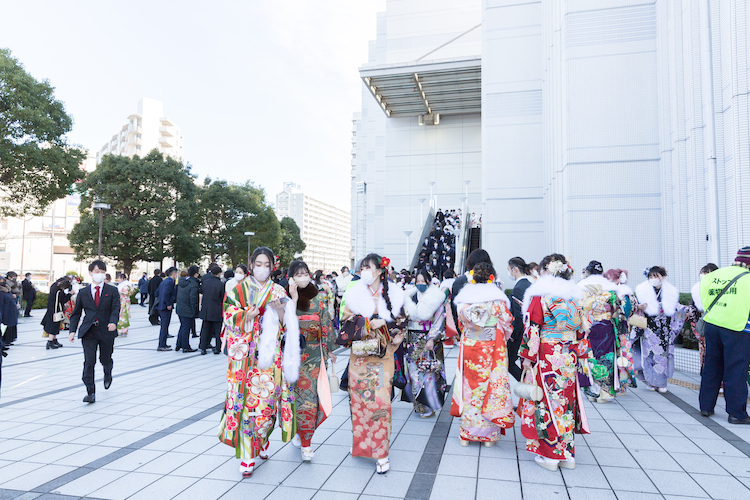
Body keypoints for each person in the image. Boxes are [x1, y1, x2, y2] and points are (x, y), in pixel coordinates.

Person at [219, 247, 300, 478]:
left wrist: (281, 311)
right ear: (251, 264)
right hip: (244, 359)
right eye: (259, 264)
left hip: (269, 357)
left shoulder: (277, 290)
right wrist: (248, 316)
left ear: (273, 266)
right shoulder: (238, 289)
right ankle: (247, 455)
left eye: (267, 265)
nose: (262, 268)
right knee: (246, 406)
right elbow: (228, 315)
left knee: (265, 405)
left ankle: (262, 439)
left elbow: (287, 325)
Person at [519, 254, 590, 471]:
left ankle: (551, 455)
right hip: (568, 354)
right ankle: (568, 454)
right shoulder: (576, 298)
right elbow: (582, 330)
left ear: (546, 271)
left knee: (547, 402)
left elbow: (533, 329)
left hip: (547, 354)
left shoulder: (541, 295)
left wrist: (527, 357)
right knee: (565, 402)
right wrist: (579, 354)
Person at [338, 253, 406, 474]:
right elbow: (345, 321)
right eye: (362, 267)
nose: (364, 271)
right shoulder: (355, 292)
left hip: (382, 356)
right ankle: (360, 444)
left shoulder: (394, 294)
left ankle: (381, 451)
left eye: (368, 267)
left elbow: (402, 323)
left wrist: (385, 323)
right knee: (358, 401)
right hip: (359, 356)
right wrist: (368, 323)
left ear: (379, 271)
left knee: (380, 402)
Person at [452, 262, 515, 446]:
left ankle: (467, 434)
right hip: (490, 350)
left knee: (470, 390)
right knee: (489, 389)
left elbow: (461, 326)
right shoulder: (498, 301)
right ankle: (488, 436)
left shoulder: (465, 301)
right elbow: (507, 325)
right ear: (492, 278)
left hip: (470, 349)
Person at [287, 260, 336, 461]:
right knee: (294, 400)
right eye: (298, 274)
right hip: (292, 357)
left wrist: (330, 349)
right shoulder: (284, 297)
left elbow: (326, 324)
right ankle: (299, 434)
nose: (302, 277)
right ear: (291, 277)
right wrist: (293, 299)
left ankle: (306, 441)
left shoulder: (318, 299)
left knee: (311, 401)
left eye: (305, 273)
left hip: (314, 356)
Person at [699, 248, 750, 424]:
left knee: (712, 366)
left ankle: (706, 406)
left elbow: (704, 300)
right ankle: (736, 413)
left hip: (713, 325)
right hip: (738, 328)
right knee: (735, 370)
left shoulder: (714, 275)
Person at [68, 260, 121, 403]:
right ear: (90, 272)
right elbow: (76, 313)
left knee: (105, 358)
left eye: (102, 271)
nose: (100, 274)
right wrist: (72, 330)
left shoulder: (112, 290)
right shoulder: (83, 292)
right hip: (89, 331)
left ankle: (107, 373)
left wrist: (113, 322)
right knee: (89, 361)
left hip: (106, 330)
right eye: (97, 271)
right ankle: (90, 392)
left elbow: (116, 309)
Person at [403, 269, 449, 418]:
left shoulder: (436, 297)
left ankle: (430, 405)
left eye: (423, 281)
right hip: (412, 340)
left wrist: (431, 338)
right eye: (418, 281)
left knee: (429, 373)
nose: (420, 284)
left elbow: (440, 319)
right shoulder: (409, 296)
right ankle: (419, 406)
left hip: (429, 340)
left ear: (429, 281)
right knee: (414, 373)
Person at [634, 266, 686, 393]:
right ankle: (651, 382)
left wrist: (685, 310)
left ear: (662, 277)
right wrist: (638, 306)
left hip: (664, 329)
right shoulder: (643, 290)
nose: (653, 279)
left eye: (656, 276)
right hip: (649, 328)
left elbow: (677, 307)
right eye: (651, 277)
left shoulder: (670, 291)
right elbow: (635, 306)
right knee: (648, 356)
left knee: (662, 356)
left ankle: (662, 383)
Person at [577, 260, 620, 403]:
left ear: (588, 272)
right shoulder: (610, 288)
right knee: (606, 357)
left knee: (588, 357)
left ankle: (591, 392)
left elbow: (576, 307)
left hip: (587, 327)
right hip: (605, 326)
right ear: (602, 272)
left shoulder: (580, 286)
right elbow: (618, 309)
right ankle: (605, 393)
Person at [603, 268, 640, 394]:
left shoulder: (624, 294)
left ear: (618, 279)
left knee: (622, 356)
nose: (607, 280)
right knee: (616, 355)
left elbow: (629, 310)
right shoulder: (613, 293)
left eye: (609, 278)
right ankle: (617, 383)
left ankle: (622, 384)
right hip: (615, 327)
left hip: (620, 328)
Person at [451, 249, 493, 335]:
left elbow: (455, 310)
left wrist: (460, 331)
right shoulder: (491, 282)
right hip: (490, 333)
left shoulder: (460, 282)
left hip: (468, 331)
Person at [687, 263, 720, 374]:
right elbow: (691, 309)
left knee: (718, 354)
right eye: (702, 275)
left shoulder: (720, 289)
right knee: (706, 353)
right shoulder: (696, 290)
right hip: (703, 327)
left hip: (718, 325)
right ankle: (708, 378)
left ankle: (720, 382)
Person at [507, 257, 533, 381]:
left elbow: (518, 316)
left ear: (515, 269)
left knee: (509, 362)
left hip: (520, 334)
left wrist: (512, 336)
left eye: (509, 270)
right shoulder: (530, 285)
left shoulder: (518, 288)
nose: (509, 273)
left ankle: (526, 384)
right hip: (530, 332)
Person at [41, 277, 72, 349]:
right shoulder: (59, 291)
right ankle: (50, 341)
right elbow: (62, 300)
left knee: (55, 325)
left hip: (51, 309)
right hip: (55, 310)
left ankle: (54, 340)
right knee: (53, 326)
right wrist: (69, 295)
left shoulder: (54, 286)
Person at [200, 265, 225, 355]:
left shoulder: (205, 282)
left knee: (205, 329)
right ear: (219, 273)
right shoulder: (221, 284)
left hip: (206, 309)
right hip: (217, 310)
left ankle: (203, 347)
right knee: (217, 330)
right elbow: (223, 298)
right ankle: (217, 348)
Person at [175, 265, 200, 353]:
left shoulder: (182, 282)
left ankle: (179, 344)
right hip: (188, 309)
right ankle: (186, 347)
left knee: (182, 326)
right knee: (186, 328)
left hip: (180, 308)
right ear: (196, 274)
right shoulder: (193, 284)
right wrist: (195, 312)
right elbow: (193, 300)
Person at [155, 267, 178, 351]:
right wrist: (168, 303)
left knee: (164, 325)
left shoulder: (164, 281)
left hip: (160, 306)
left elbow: (156, 293)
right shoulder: (170, 282)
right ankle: (161, 345)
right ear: (174, 273)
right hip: (165, 307)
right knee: (164, 326)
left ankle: (163, 343)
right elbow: (166, 294)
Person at [0, 277, 19, 352]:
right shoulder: (1, 292)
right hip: (5, 313)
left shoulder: (7, 290)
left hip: (10, 312)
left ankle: (6, 342)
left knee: (9, 327)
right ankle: (3, 343)